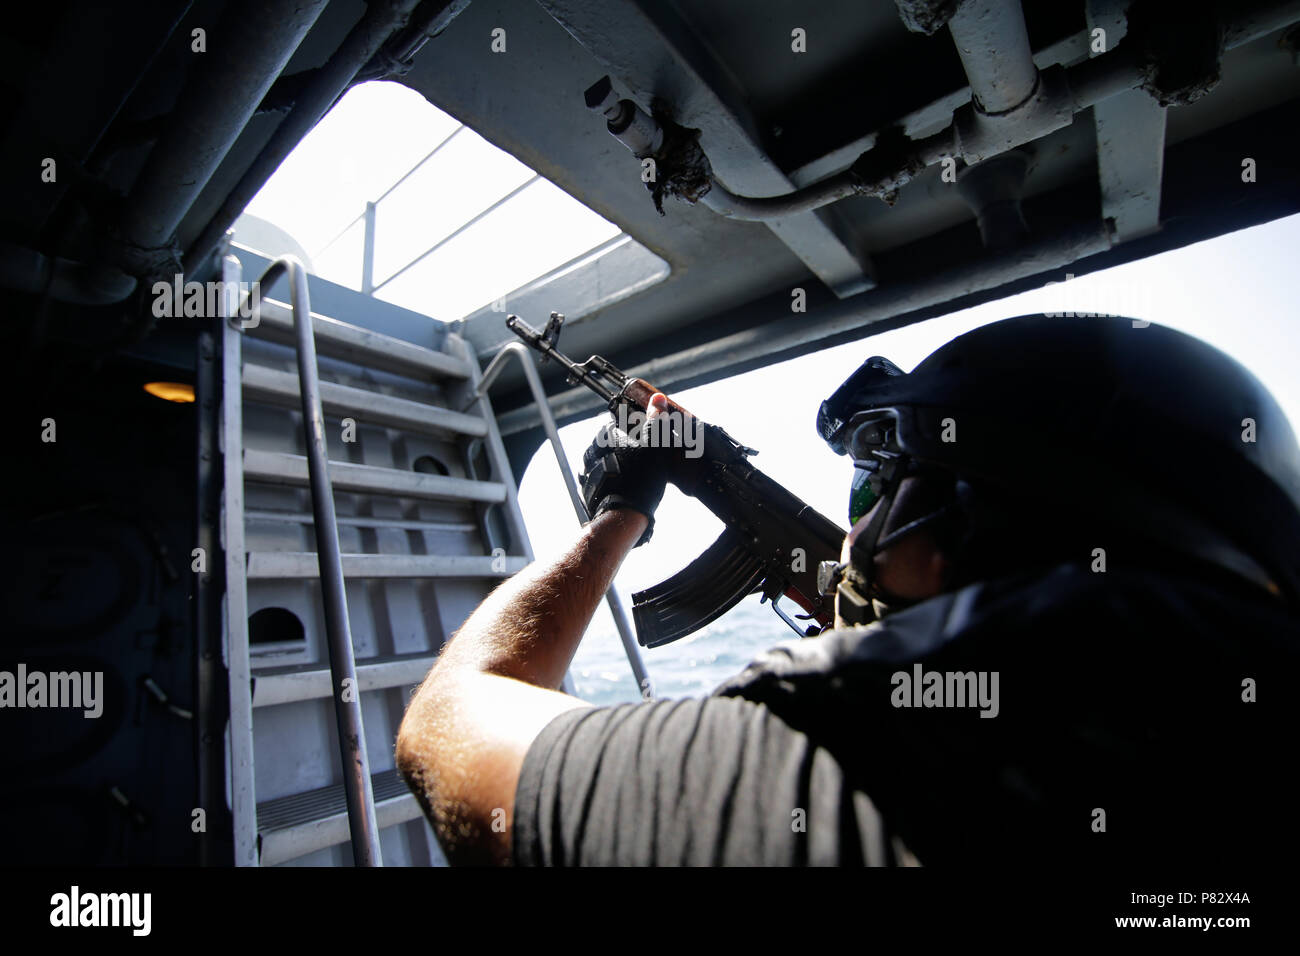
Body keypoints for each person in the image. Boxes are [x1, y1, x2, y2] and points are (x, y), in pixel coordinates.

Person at [395, 314, 1300, 866]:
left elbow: (448, 720)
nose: (856, 528)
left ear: (957, 527)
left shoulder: (846, 754)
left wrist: (622, 510)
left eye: (880, 486)